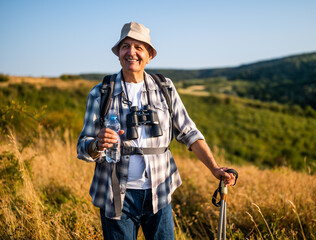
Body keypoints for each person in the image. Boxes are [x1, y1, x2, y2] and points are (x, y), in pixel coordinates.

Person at [77, 22, 236, 240]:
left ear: (149, 55)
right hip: (115, 195)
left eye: (138, 47)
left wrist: (214, 168)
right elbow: (83, 146)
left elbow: (189, 132)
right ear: (118, 53)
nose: (131, 52)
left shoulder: (164, 88)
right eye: (125, 46)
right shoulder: (101, 93)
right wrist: (96, 144)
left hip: (159, 191)